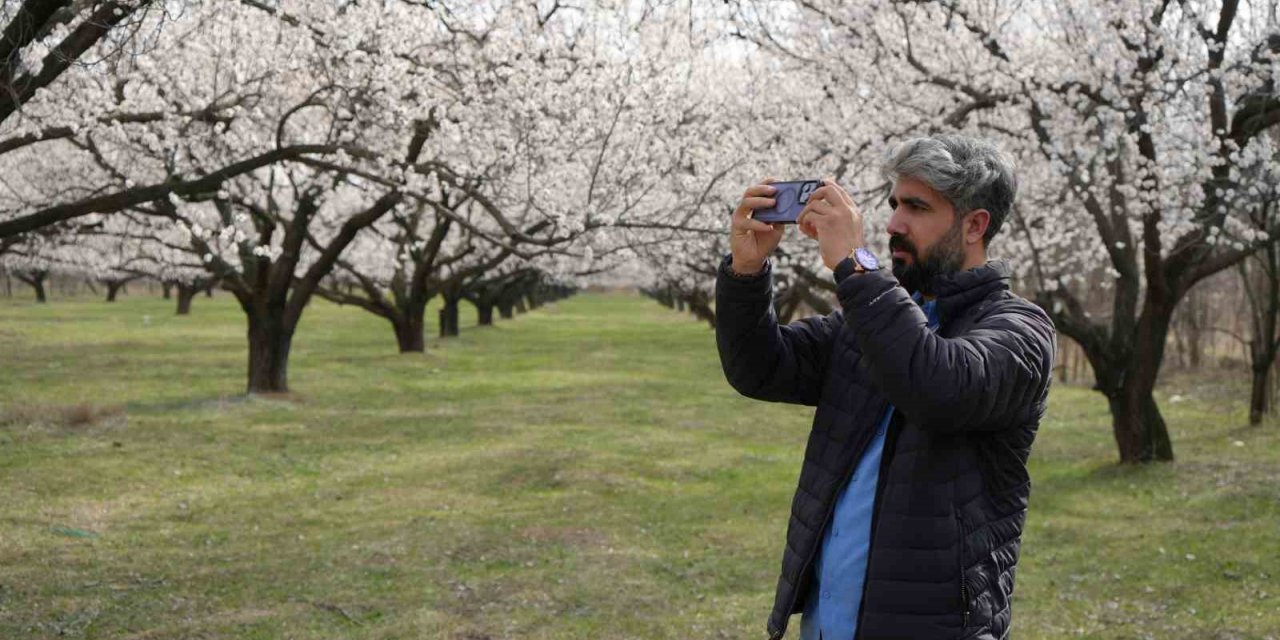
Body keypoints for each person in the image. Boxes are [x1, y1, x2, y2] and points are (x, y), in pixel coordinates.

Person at [715, 134, 1057, 640]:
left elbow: (939, 385)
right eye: (895, 204)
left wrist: (856, 265)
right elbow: (761, 367)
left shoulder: (1023, 331)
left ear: (974, 225)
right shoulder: (872, 322)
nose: (894, 223)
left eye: (917, 207)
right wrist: (747, 272)